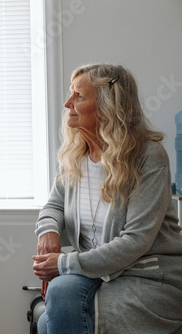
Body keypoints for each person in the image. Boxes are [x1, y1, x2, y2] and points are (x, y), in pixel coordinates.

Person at [32, 64, 182, 334]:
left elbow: (135, 239)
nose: (67, 103)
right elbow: (54, 205)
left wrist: (63, 263)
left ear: (107, 107)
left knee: (49, 319)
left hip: (144, 276)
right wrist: (48, 231)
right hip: (96, 272)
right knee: (58, 300)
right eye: (70, 94)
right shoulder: (75, 155)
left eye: (79, 96)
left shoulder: (148, 156)